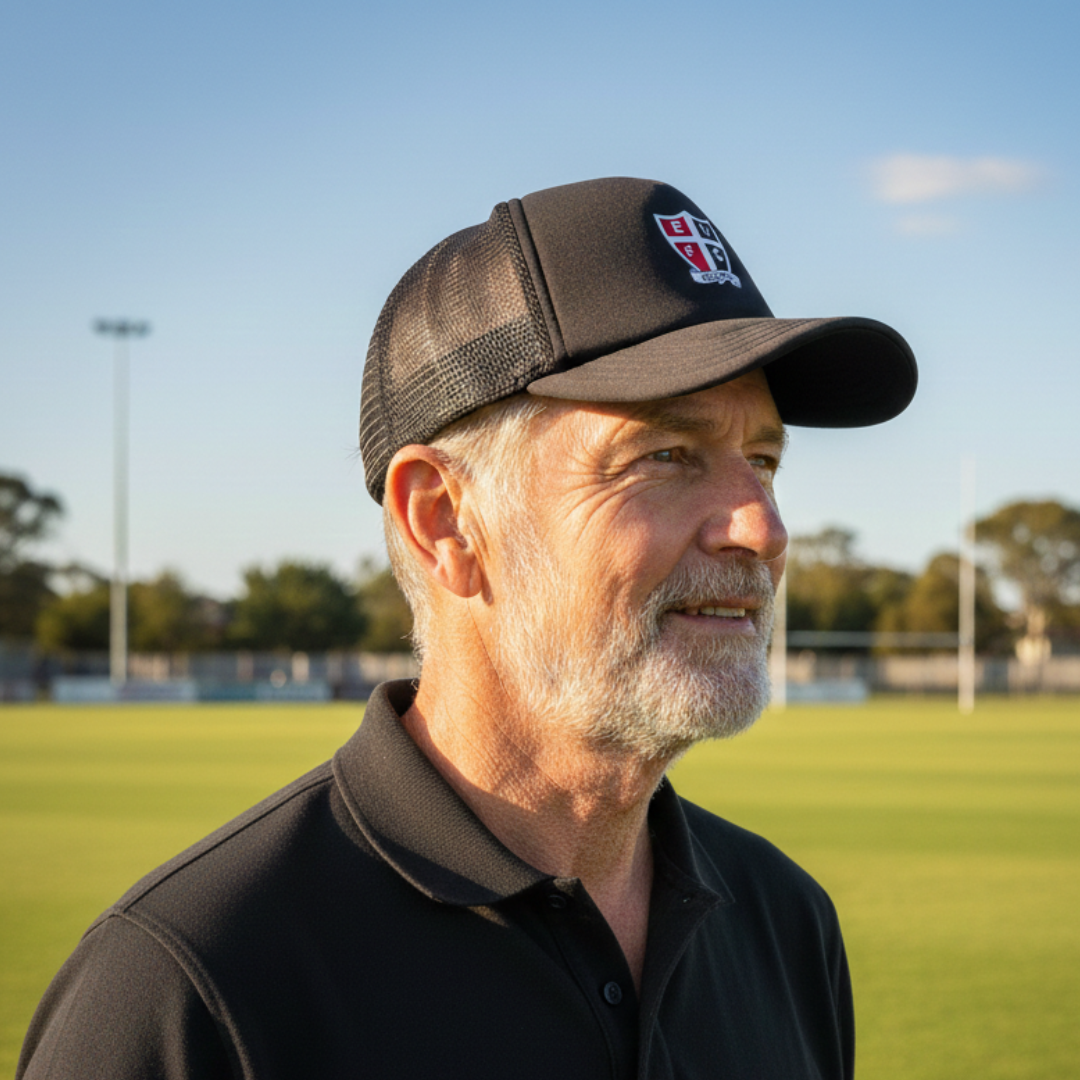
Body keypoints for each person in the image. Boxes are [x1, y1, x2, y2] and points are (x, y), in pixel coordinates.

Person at [18, 177, 916, 1079]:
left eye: (763, 460)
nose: (762, 528)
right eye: (665, 454)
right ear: (444, 520)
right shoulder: (190, 990)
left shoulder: (786, 924)